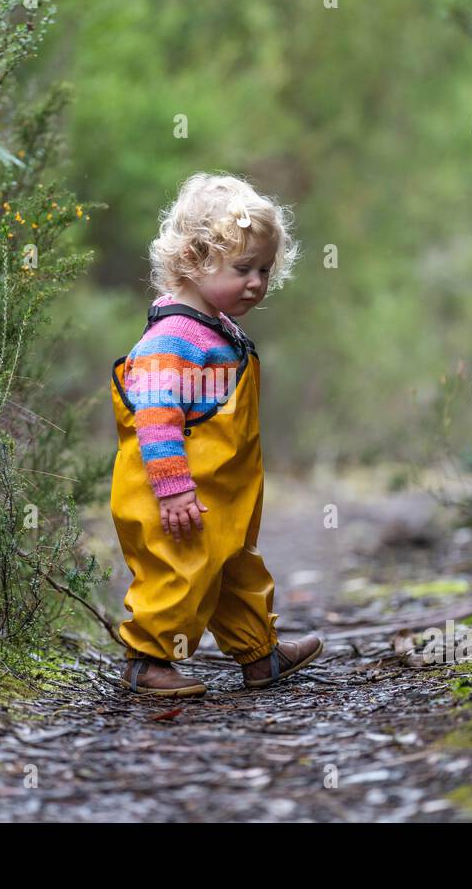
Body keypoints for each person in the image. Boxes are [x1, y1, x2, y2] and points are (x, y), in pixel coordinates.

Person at [108, 172, 323, 697]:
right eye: (243, 269)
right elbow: (156, 417)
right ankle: (148, 660)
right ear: (194, 261)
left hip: (223, 499)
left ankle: (258, 655)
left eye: (265, 270)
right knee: (178, 574)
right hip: (181, 497)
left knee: (236, 572)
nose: (257, 283)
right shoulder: (174, 339)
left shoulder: (218, 329)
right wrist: (173, 485)